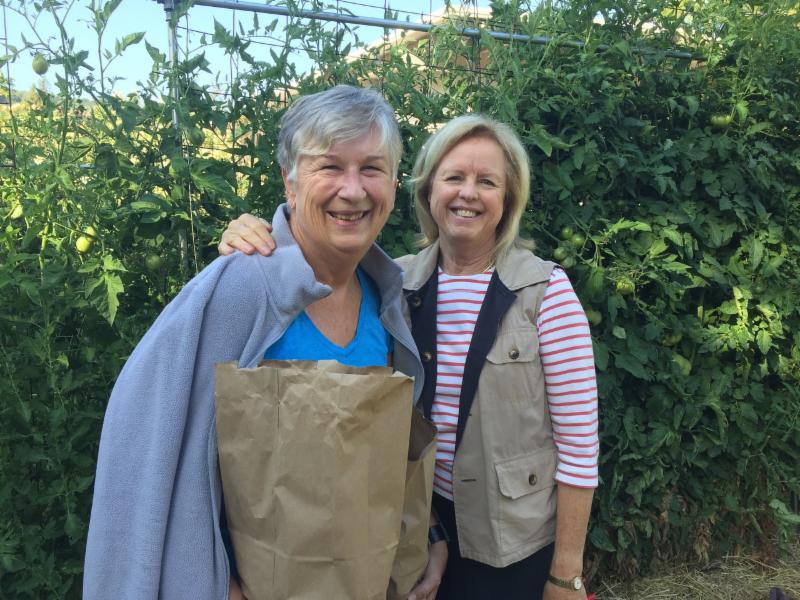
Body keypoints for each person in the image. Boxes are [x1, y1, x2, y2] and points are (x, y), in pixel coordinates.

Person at [83, 85, 445, 600]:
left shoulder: (388, 300)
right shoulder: (242, 289)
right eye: (329, 166)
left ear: (392, 182)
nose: (353, 190)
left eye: (372, 168)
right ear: (289, 182)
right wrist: (214, 585)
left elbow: (391, 452)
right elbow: (148, 441)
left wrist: (427, 534)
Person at [220, 113, 599, 599]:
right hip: (415, 531)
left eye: (487, 182)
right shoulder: (394, 285)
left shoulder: (546, 292)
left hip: (512, 546)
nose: (468, 193)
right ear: (428, 191)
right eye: (454, 177)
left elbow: (578, 448)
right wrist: (254, 234)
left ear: (508, 200)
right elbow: (313, 254)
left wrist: (566, 573)